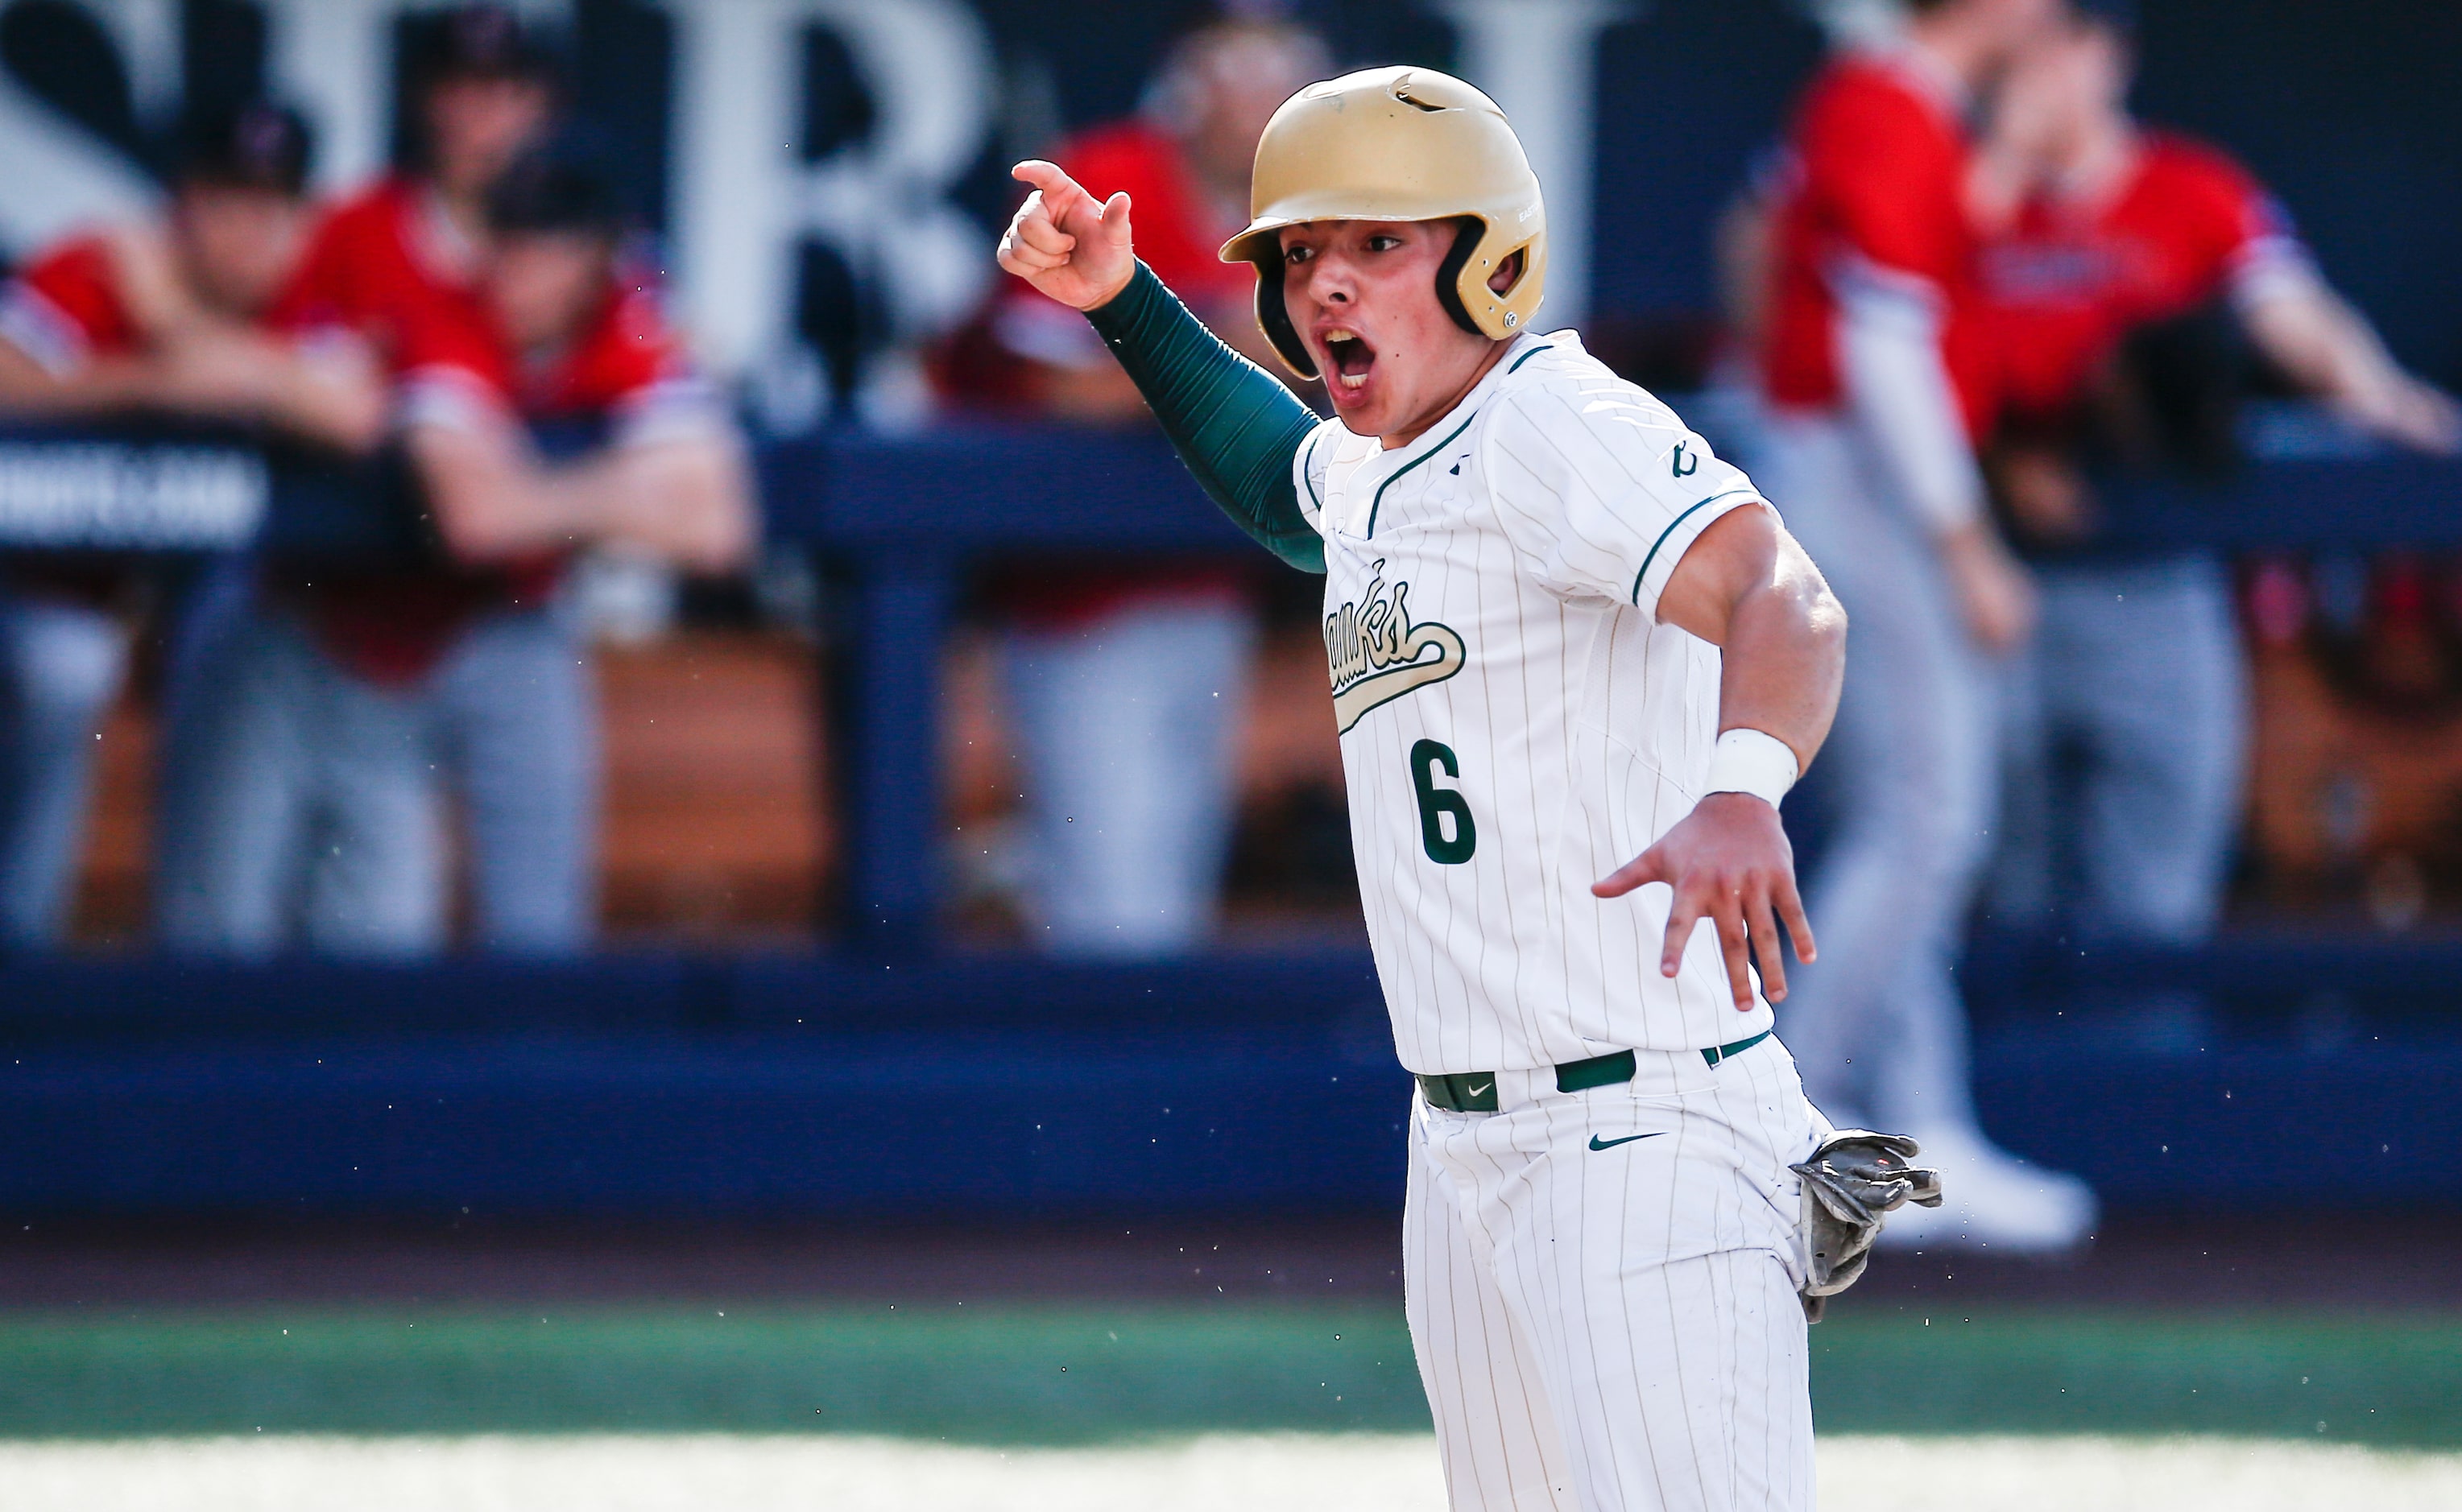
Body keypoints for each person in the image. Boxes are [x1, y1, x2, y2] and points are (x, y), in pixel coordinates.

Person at [1000, 64, 1927, 1512]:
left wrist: (1746, 785)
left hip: (1642, 1128)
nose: (1326, 284)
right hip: (1466, 1140)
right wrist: (1126, 298)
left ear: (1488, 254)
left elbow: (1785, 598)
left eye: (1380, 241)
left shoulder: (1550, 418)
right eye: (1302, 253)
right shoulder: (1378, 461)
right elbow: (1281, 482)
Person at [153, 143, 755, 956]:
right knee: (244, 930)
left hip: (471, 630)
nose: (518, 267)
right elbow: (475, 516)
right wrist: (622, 488)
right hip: (315, 620)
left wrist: (546, 489)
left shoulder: (630, 324)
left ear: (594, 259)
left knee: (434, 938)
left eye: (546, 246)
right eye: (506, 239)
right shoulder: (441, 309)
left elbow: (716, 529)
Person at [1980, 1, 2462, 956]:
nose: (2035, 71)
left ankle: (2135, 1092)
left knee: (2158, 896)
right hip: (1996, 586)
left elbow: (2293, 312)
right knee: (2003, 888)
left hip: (2157, 580)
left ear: (2105, 52)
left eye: (2060, 44)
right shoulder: (1963, 191)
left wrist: (2385, 397)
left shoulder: (2190, 190)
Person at [1753, 0, 2100, 1252]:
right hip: (1852, 472)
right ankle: (1796, 1119)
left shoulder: (1911, 110)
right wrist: (1968, 548)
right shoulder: (1883, 101)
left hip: (1852, 468)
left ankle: (1914, 1129)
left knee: (1908, 822)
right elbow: (1882, 349)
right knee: (1929, 814)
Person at [971, 19, 1326, 956]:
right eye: (1236, 75)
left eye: (1280, 80)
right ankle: (1087, 1100)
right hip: (1078, 595)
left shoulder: (1303, 210)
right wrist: (1225, 340)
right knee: (1107, 906)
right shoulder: (1106, 175)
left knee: (1170, 889)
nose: (1257, 104)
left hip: (1210, 588)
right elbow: (1053, 385)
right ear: (1188, 82)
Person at [0, 101, 381, 946]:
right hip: (61, 585)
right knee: (66, 667)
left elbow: (356, 415)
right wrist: (143, 381)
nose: (245, 229)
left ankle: (206, 948)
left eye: (268, 205)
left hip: (224, 601)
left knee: (250, 639)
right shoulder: (107, 262)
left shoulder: (316, 284)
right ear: (181, 202)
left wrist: (184, 333)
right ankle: (17, 946)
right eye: (223, 201)